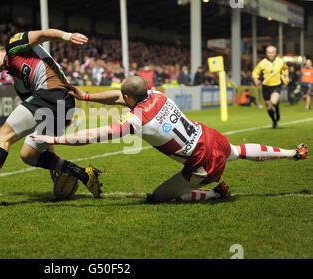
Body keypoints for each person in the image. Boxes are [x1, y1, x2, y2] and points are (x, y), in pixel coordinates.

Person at [31, 76, 309, 203]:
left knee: (158, 198)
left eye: (122, 96)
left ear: (129, 98)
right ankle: (291, 153)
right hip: (210, 136)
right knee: (237, 150)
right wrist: (87, 96)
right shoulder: (157, 95)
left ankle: (215, 192)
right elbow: (118, 97)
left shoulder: (137, 120)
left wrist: (54, 137)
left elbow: (93, 135)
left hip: (202, 161)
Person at [0, 29, 102, 208]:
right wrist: (52, 158)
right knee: (29, 155)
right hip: (63, 103)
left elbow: (42, 34)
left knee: (2, 136)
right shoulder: (18, 81)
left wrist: (67, 37)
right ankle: (84, 174)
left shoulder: (13, 46)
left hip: (54, 94)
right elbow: (38, 116)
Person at [252, 45, 289, 129]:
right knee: (269, 107)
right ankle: (274, 121)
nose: (271, 54)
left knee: (273, 100)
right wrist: (256, 79)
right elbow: (255, 72)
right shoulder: (263, 63)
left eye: (272, 52)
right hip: (266, 86)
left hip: (276, 84)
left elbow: (285, 69)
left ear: (275, 53)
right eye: (269, 52)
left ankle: (277, 110)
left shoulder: (280, 61)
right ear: (266, 53)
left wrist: (286, 76)